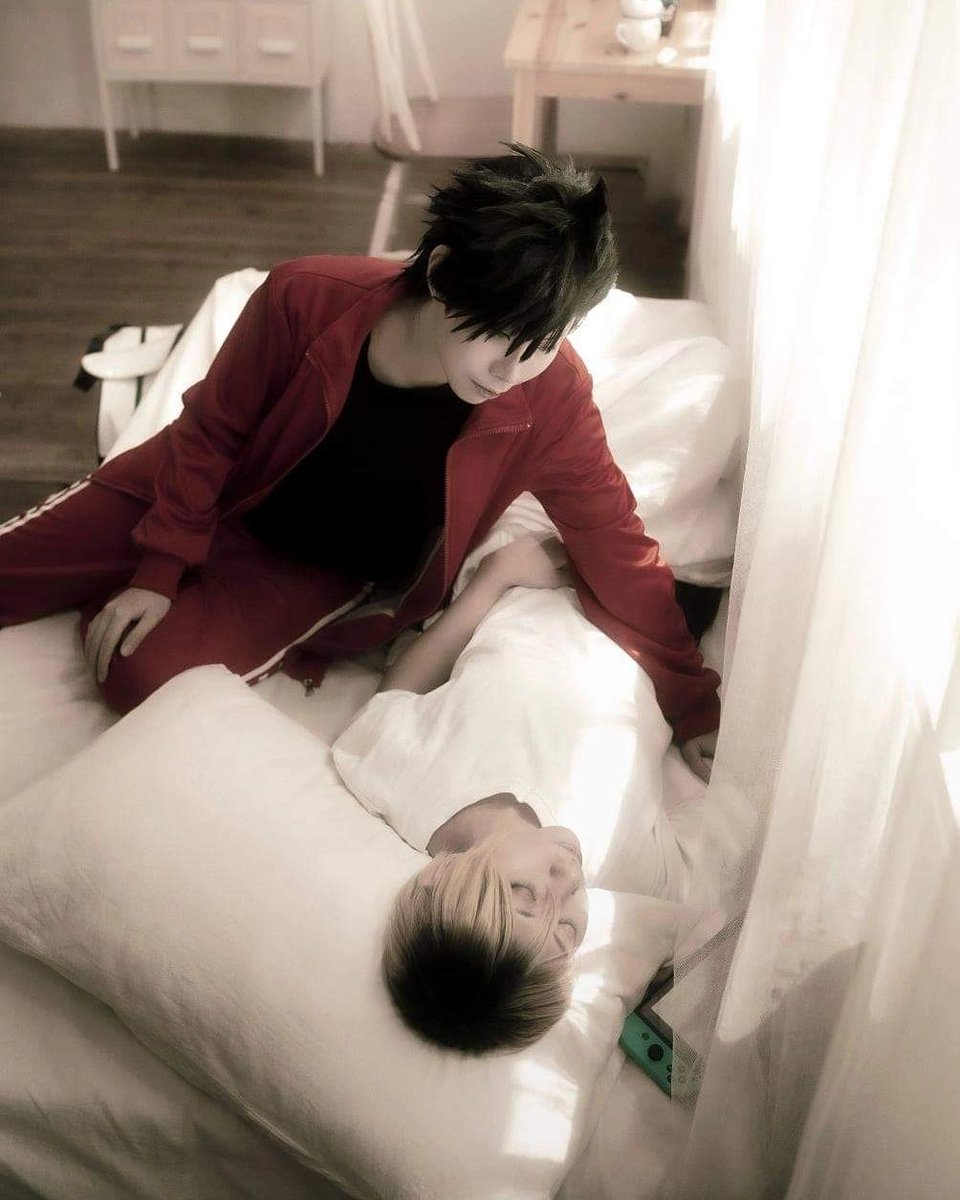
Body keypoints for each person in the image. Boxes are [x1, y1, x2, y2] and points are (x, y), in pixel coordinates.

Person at [0, 144, 718, 777]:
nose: (511, 370)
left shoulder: (552, 398)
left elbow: (615, 543)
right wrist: (160, 568)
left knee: (137, 675)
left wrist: (691, 704)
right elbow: (212, 430)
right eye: (500, 335)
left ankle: (132, 588)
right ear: (443, 272)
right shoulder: (304, 297)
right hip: (195, 485)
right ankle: (138, 568)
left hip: (319, 566)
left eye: (543, 344)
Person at [333, 533, 703, 1053]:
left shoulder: (403, 786)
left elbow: (394, 695)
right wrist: (702, 719)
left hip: (548, 564)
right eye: (568, 932)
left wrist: (496, 576)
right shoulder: (626, 868)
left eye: (524, 895)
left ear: (441, 881)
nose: (567, 881)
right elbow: (715, 852)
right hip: (661, 631)